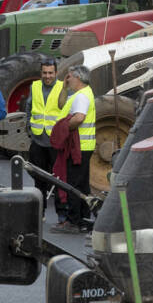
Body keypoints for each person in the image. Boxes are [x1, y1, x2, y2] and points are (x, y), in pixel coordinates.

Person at [51, 64, 95, 233]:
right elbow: (63, 105)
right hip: (85, 146)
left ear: (78, 78)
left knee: (73, 186)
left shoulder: (81, 97)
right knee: (82, 186)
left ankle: (73, 222)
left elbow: (79, 118)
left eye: (69, 77)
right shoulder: (85, 93)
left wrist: (63, 128)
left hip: (78, 147)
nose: (67, 80)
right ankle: (83, 219)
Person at [22, 58, 64, 217]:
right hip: (38, 140)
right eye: (45, 73)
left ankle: (62, 215)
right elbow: (29, 107)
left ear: (56, 73)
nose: (47, 76)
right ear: (41, 73)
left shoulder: (62, 87)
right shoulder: (35, 86)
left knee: (59, 180)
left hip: (55, 141)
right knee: (38, 179)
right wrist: (29, 128)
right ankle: (40, 212)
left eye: (50, 73)